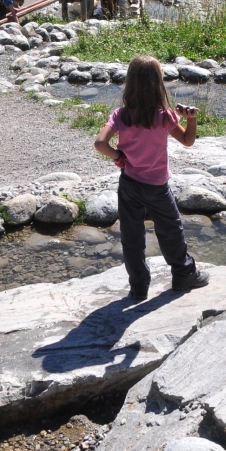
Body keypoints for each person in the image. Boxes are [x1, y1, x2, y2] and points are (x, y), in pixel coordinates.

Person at [93, 56, 209, 300]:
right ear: (158, 84)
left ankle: (139, 287)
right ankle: (183, 274)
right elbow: (187, 141)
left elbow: (100, 143)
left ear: (130, 83)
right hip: (157, 186)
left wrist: (119, 156)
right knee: (170, 230)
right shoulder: (165, 117)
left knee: (131, 236)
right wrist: (192, 119)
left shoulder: (121, 115)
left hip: (129, 184)